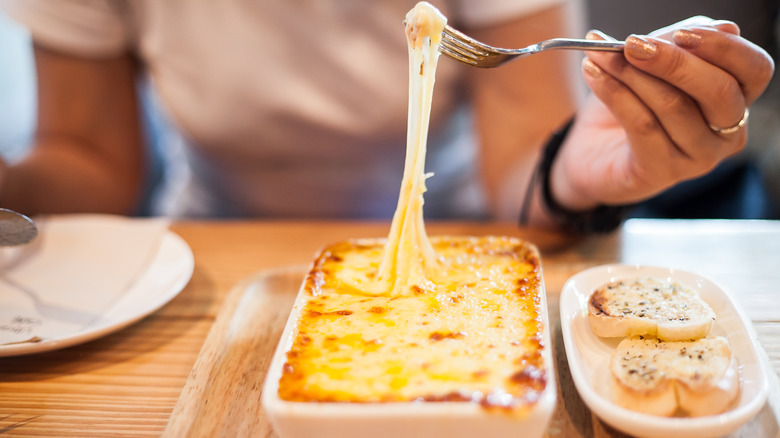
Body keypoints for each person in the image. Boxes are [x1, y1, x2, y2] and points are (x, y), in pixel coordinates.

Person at [0, 0, 774, 234]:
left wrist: (581, 172)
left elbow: (522, 169)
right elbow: (90, 164)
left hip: (463, 235)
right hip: (212, 254)